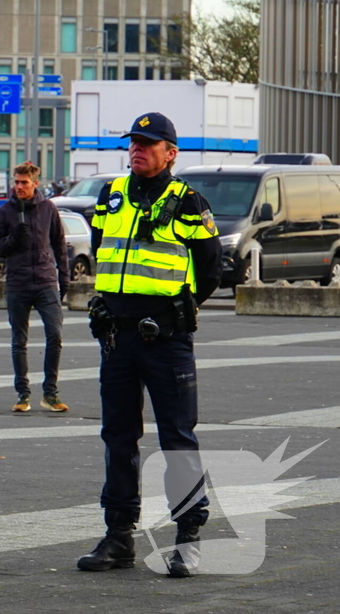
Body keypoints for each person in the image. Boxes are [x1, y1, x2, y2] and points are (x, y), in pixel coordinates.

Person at [77, 112, 221, 578]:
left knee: (177, 438)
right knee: (118, 438)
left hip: (165, 340)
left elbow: (211, 270)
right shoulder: (111, 195)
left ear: (170, 153)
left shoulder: (187, 202)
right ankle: (118, 536)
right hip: (118, 337)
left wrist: (176, 312)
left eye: (148, 143)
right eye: (134, 143)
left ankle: (188, 537)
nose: (138, 149)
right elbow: (104, 250)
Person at [0, 162, 70, 413]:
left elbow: (59, 244)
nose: (19, 187)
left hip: (45, 280)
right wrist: (14, 239)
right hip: (18, 282)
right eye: (16, 182)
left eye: (24, 182)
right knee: (19, 341)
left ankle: (50, 393)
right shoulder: (5, 212)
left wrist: (64, 278)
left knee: (55, 335)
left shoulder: (48, 209)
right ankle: (23, 394)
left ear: (35, 183)